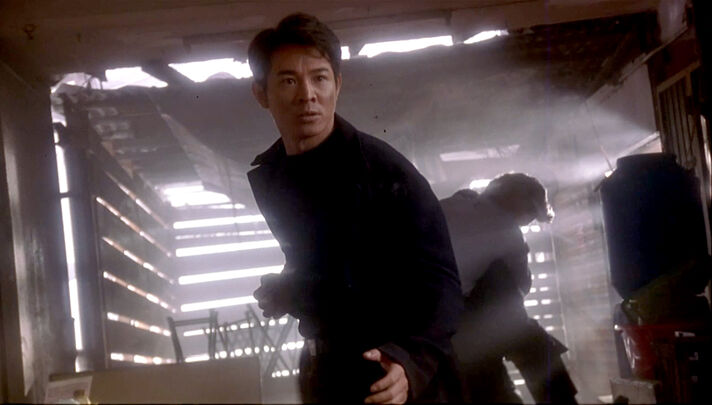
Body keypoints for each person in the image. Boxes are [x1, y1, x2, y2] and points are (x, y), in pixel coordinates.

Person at [246, 13, 463, 404]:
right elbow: (335, 270)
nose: (307, 95)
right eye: (289, 81)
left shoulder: (384, 171)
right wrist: (288, 290)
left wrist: (411, 361)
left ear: (337, 85)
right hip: (326, 372)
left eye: (320, 78)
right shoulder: (274, 175)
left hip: (392, 375)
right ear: (261, 94)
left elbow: (441, 282)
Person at [439, 173, 577, 404]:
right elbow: (521, 286)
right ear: (520, 202)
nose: (529, 222)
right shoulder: (508, 231)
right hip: (446, 321)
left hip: (423, 314)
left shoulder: (454, 203)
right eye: (531, 215)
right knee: (530, 339)